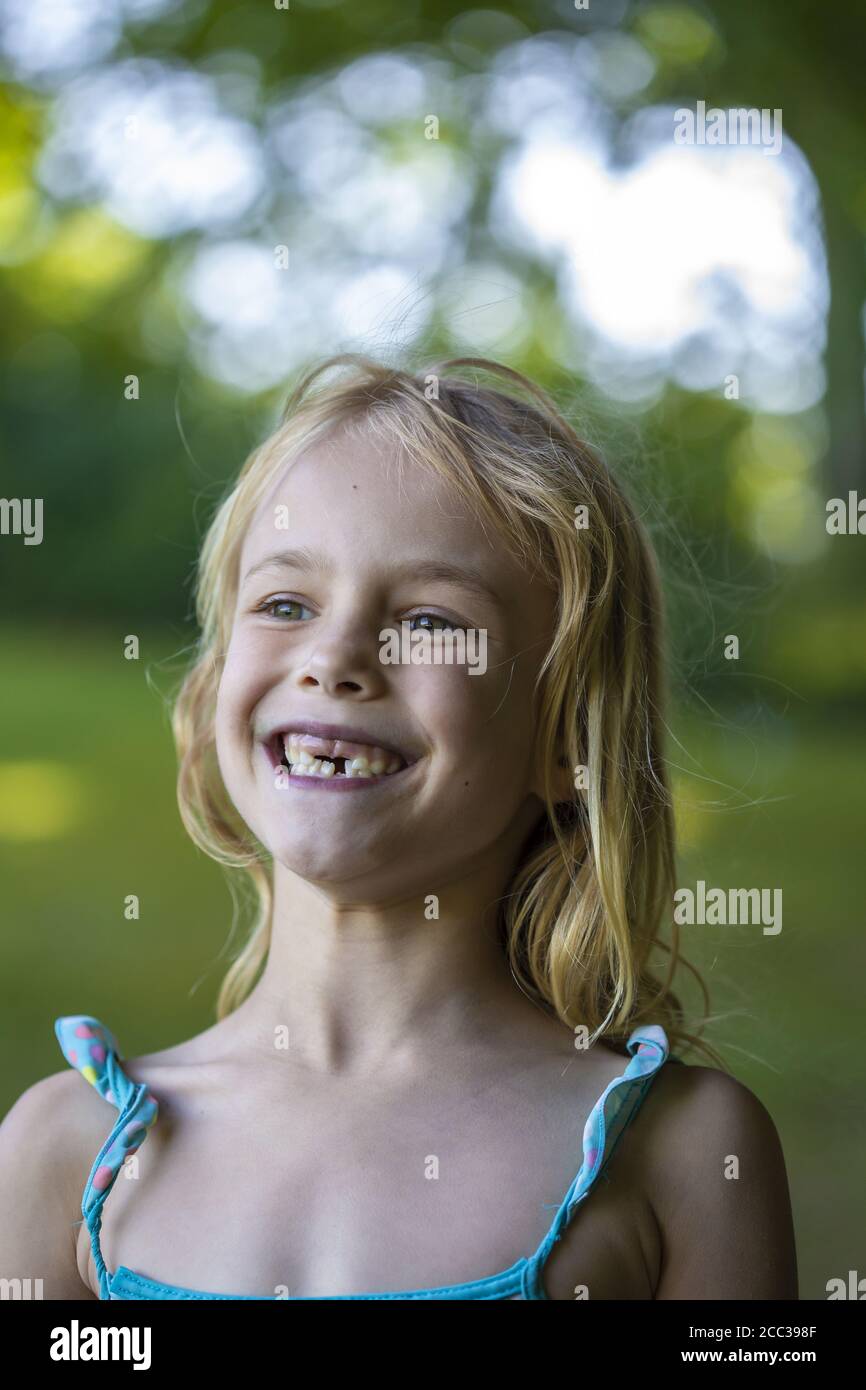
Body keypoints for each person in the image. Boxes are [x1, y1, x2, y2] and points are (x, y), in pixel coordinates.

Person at [0, 355, 798, 1300]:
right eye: (286, 604)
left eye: (428, 621)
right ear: (214, 685)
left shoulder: (681, 1153)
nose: (333, 657)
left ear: (565, 741)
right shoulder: (67, 1153)